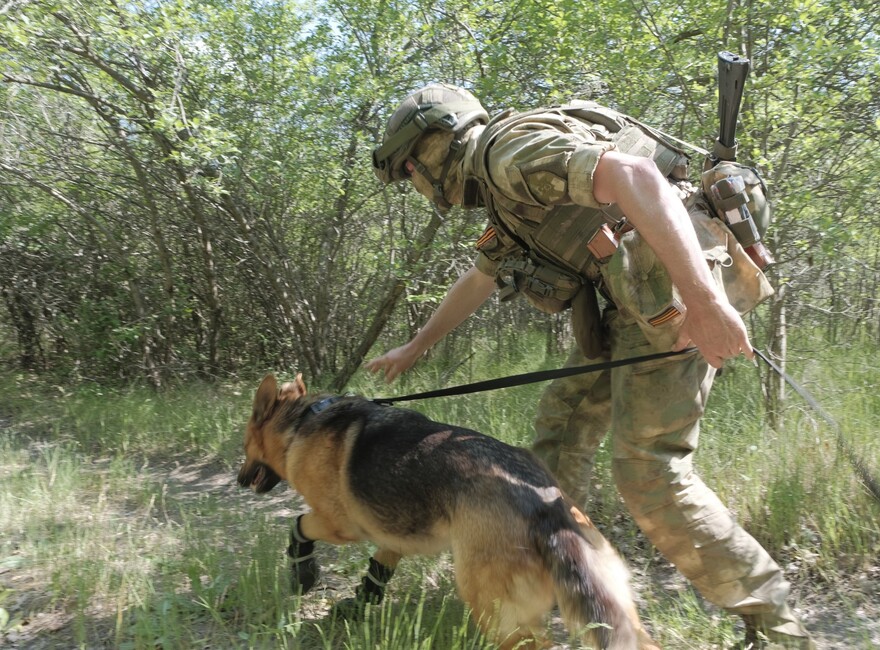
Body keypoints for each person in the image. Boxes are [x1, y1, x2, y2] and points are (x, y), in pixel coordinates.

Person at [298, 82, 813, 649]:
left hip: (676, 298)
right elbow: (481, 277)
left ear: (437, 144)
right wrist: (415, 348)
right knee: (557, 435)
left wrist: (708, 303)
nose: (415, 185)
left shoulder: (504, 154)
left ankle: (778, 626)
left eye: (410, 170)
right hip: (633, 305)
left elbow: (637, 180)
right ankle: (544, 578)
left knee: (651, 474)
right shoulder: (504, 191)